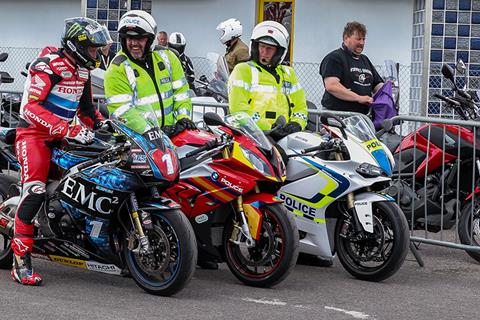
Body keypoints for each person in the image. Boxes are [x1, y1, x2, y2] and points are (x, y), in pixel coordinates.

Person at [11, 17, 110, 285]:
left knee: (83, 182)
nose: (96, 54)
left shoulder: (83, 70)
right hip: (33, 135)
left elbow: (87, 111)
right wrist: (66, 129)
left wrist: (107, 126)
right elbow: (31, 108)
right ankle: (20, 261)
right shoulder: (48, 65)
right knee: (35, 190)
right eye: (92, 48)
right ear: (77, 45)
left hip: (62, 137)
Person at [104, 10, 195, 137]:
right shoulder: (117, 69)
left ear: (150, 39)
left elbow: (181, 93)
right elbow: (122, 112)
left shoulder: (168, 57)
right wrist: (154, 133)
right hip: (137, 142)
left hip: (169, 137)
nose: (134, 43)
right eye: (129, 38)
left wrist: (183, 117)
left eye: (139, 38)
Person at [228, 20, 307, 140]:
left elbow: (300, 106)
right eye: (261, 46)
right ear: (255, 46)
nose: (264, 52)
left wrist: (297, 124)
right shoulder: (244, 70)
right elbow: (239, 108)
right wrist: (269, 127)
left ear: (279, 51)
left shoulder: (288, 73)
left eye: (270, 48)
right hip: (254, 135)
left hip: (285, 136)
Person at [320, 21, 384, 115]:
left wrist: (388, 89)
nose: (361, 43)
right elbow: (332, 86)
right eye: (358, 39)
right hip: (338, 117)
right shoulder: (334, 58)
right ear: (346, 38)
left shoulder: (365, 60)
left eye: (363, 39)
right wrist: (358, 98)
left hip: (362, 117)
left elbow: (377, 84)